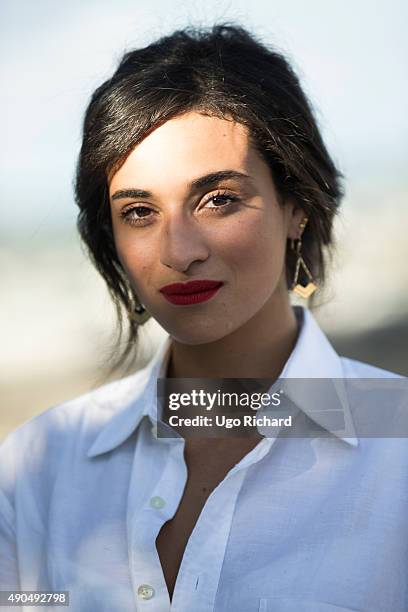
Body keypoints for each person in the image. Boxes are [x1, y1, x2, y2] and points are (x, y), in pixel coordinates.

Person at [1, 24, 407, 612]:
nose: (178, 250)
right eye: (139, 211)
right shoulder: (39, 467)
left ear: (297, 206)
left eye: (218, 199)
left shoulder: (395, 447)